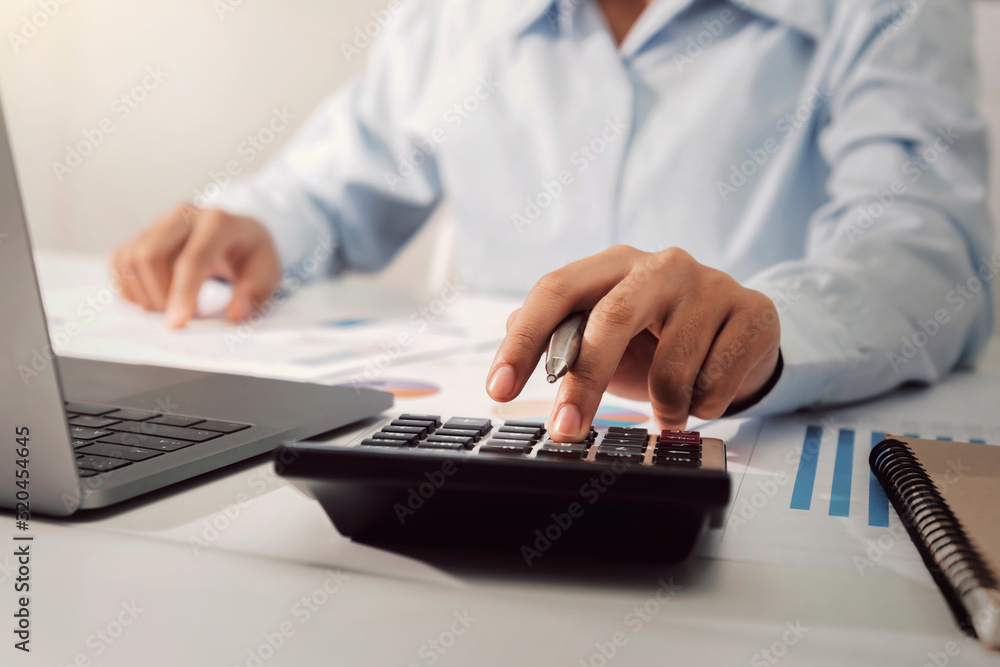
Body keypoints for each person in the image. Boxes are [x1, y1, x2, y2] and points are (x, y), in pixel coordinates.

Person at [109, 0, 994, 443]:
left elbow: (930, 247)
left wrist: (771, 327)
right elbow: (335, 184)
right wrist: (258, 221)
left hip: (758, 446)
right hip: (495, 443)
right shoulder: (453, 15)